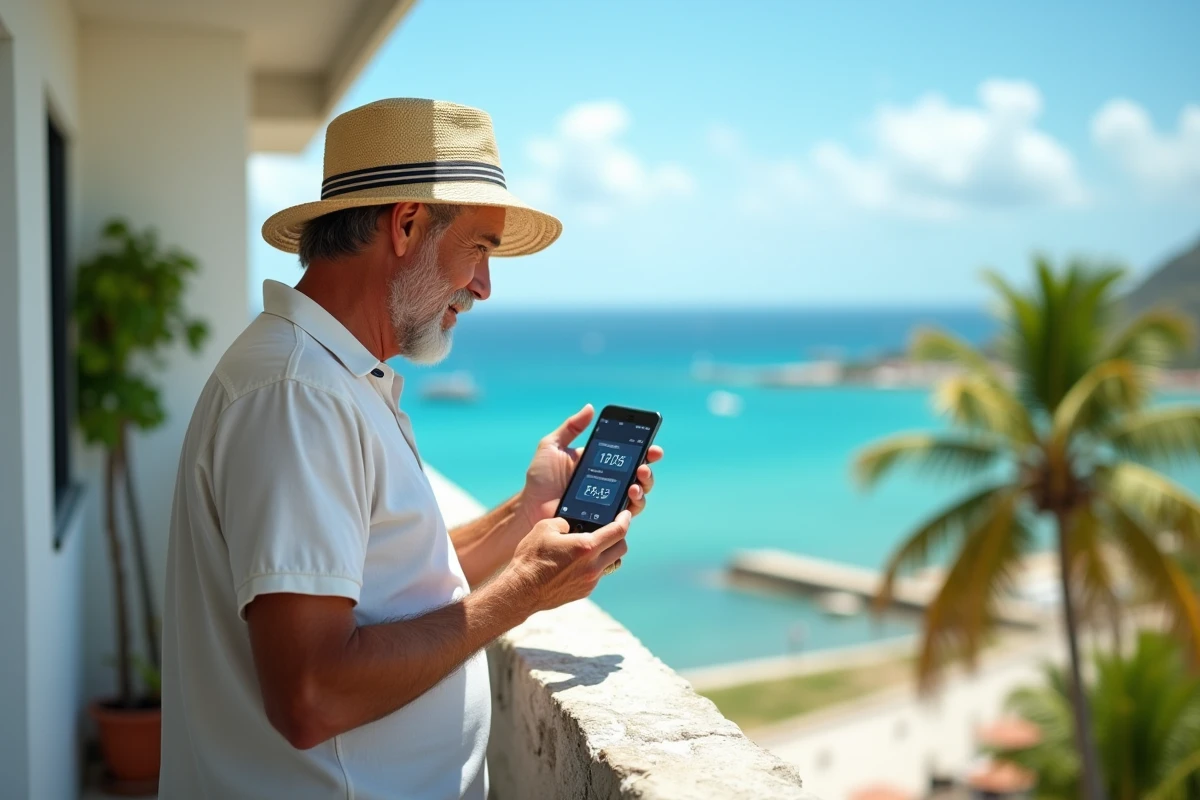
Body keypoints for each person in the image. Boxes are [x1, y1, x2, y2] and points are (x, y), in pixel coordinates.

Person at [159, 98, 663, 799]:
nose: (485, 285)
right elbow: (311, 694)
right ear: (405, 225)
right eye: (480, 247)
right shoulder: (300, 395)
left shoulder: (328, 377)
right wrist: (523, 591)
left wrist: (525, 515)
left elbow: (379, 582)